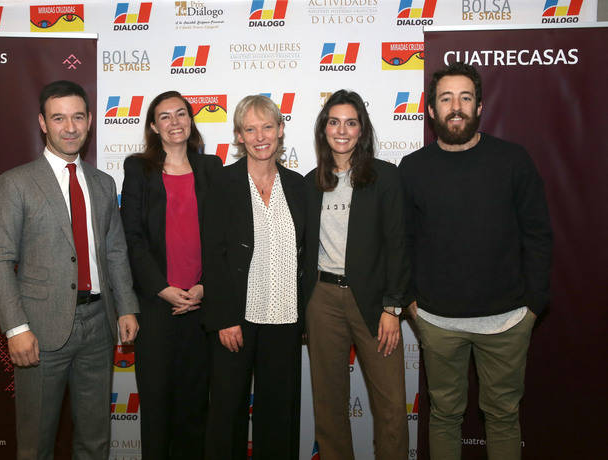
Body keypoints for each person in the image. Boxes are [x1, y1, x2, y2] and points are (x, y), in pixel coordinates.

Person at [399, 62, 552, 460]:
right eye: (446, 98)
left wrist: (533, 304)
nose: (456, 107)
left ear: (480, 106)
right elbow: (403, 241)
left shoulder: (513, 161)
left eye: (465, 98)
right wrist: (413, 303)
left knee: (502, 417)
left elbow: (538, 234)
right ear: (431, 110)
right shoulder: (413, 168)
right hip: (437, 322)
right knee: (445, 417)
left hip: (507, 321)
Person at [0, 80, 139, 459]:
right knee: (36, 442)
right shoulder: (15, 183)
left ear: (88, 122)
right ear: (42, 123)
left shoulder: (103, 183)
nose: (70, 127)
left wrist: (128, 306)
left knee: (95, 441)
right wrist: (16, 328)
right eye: (59, 118)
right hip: (38, 330)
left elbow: (115, 249)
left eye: (77, 117)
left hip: (99, 328)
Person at [303, 89, 409, 460]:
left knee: (392, 406)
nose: (342, 130)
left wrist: (392, 308)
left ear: (362, 130)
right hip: (323, 301)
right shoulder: (310, 182)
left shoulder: (386, 177)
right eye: (334, 122)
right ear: (324, 129)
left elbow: (398, 246)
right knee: (329, 406)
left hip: (375, 304)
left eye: (351, 122)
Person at [120, 90, 222, 460]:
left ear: (191, 120)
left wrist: (203, 287)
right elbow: (131, 237)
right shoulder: (138, 168)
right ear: (153, 126)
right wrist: (162, 288)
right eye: (165, 116)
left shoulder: (212, 168)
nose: (175, 122)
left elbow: (223, 236)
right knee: (157, 406)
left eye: (181, 114)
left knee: (195, 406)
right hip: (155, 306)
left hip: (200, 305)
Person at [203, 95, 305, 460]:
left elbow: (305, 256)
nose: (260, 136)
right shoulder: (221, 183)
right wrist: (225, 318)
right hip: (237, 320)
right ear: (239, 136)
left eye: (267, 127)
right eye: (251, 129)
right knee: (226, 414)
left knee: (279, 415)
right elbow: (211, 257)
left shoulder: (299, 186)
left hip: (285, 320)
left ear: (280, 130)